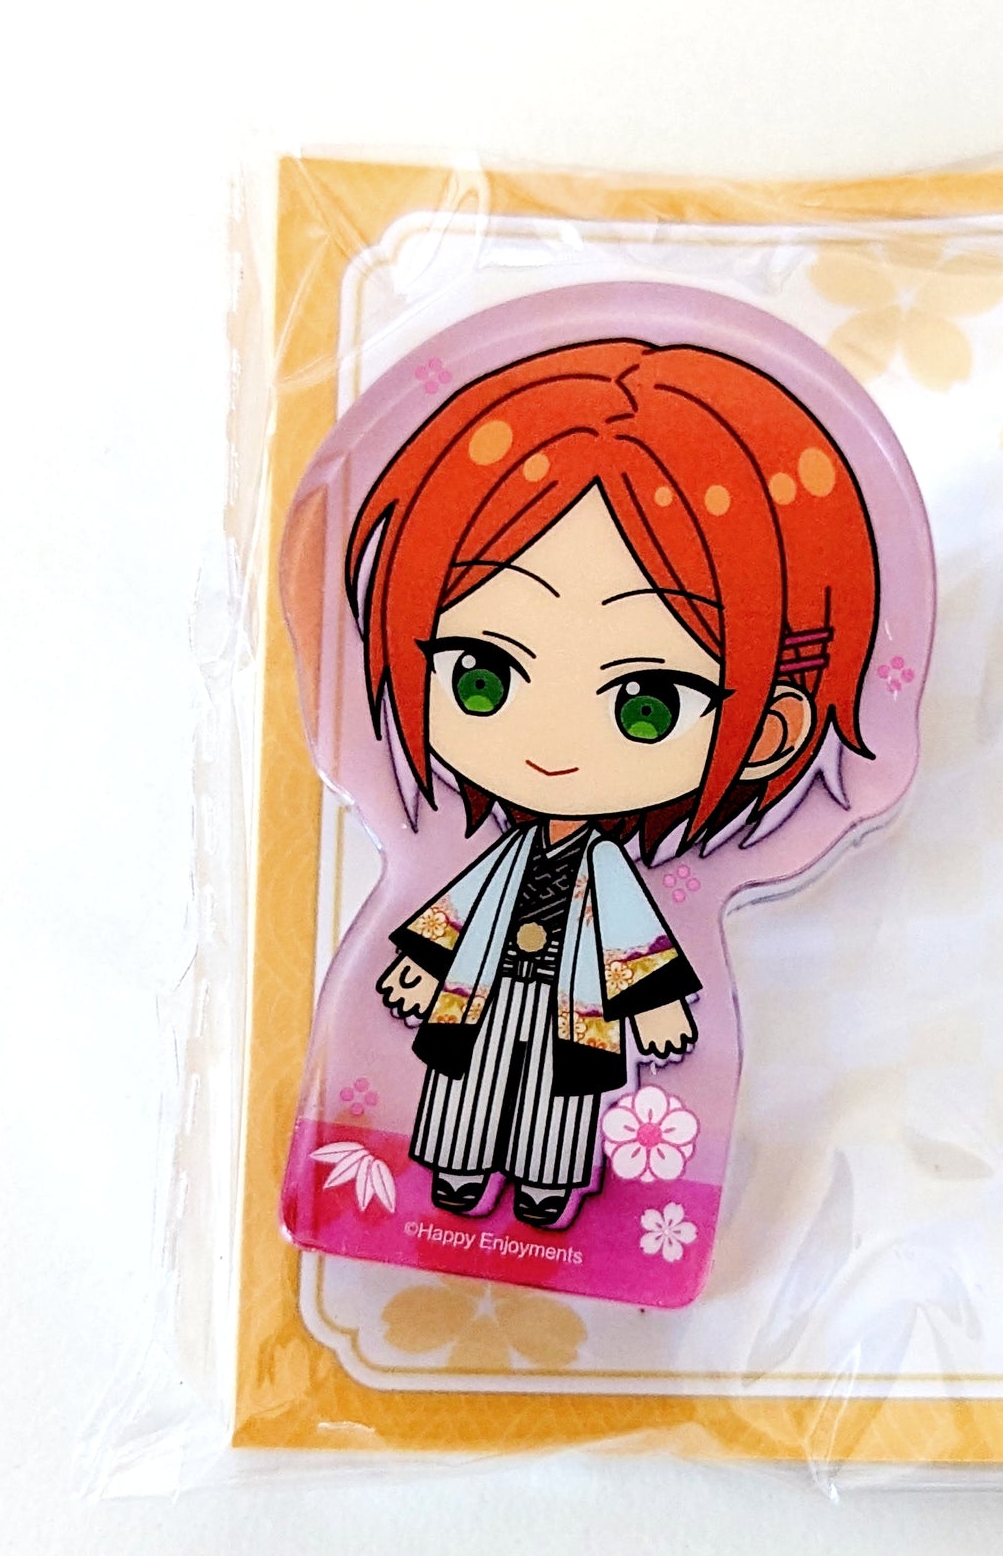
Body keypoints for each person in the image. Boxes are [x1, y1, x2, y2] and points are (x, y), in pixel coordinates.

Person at [344, 337, 881, 1228]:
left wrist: (657, 1005)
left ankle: (548, 1185)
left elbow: (633, 933)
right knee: (466, 1083)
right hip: (483, 995)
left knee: (561, 1101)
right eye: (481, 674)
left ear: (770, 728)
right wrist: (416, 969)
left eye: (645, 703)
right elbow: (458, 910)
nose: (554, 744)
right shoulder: (501, 860)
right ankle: (459, 1175)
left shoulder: (606, 874)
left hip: (577, 1012)